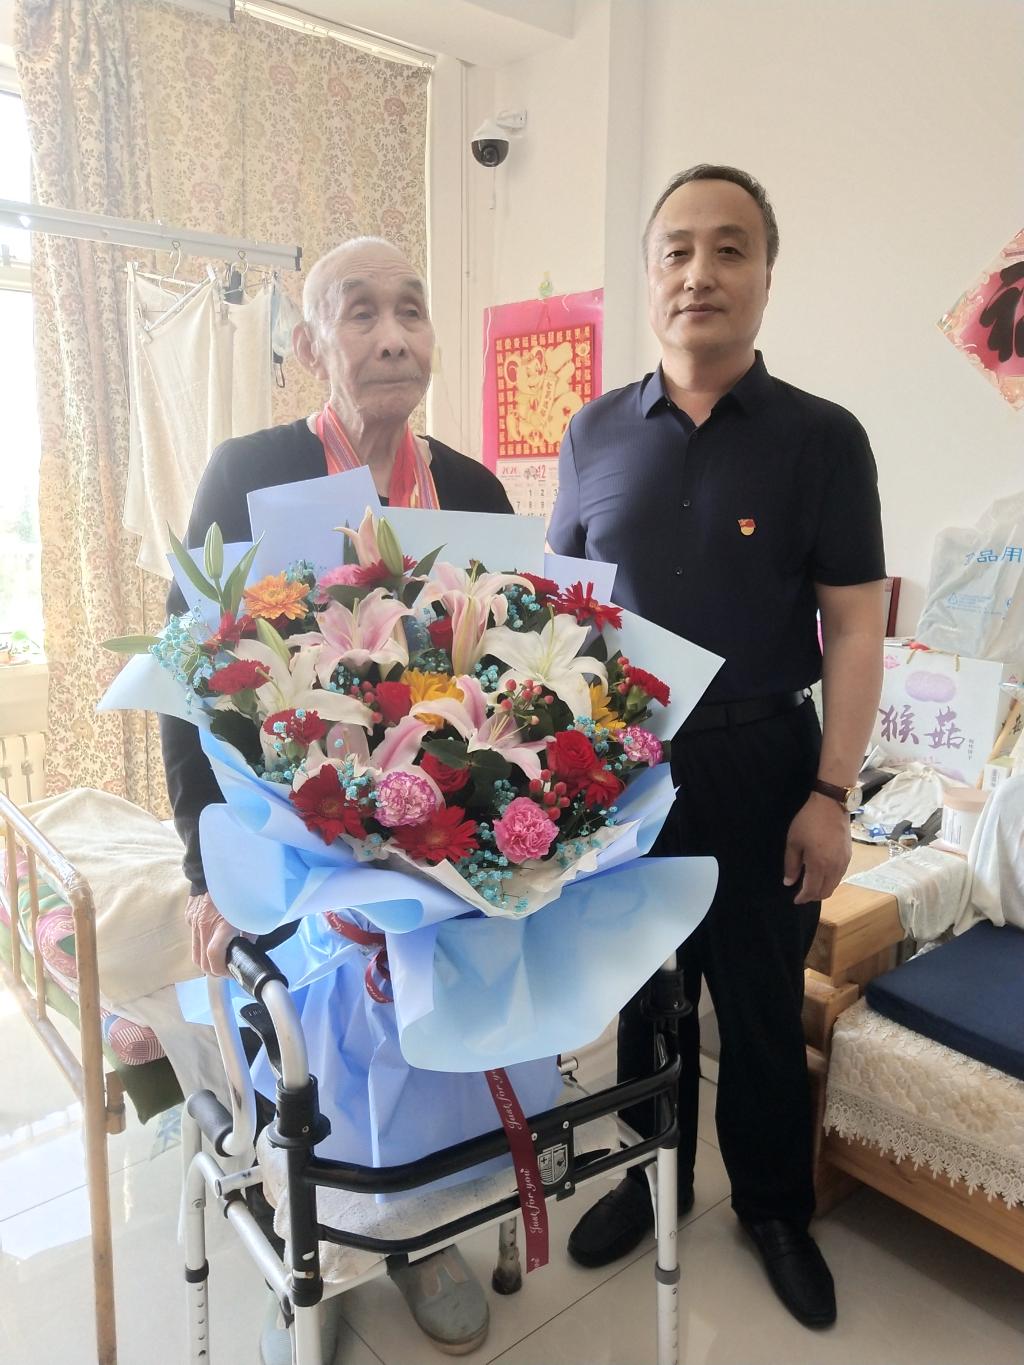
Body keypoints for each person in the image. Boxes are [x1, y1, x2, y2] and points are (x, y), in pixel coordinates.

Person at [548, 166, 885, 1330]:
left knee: (756, 1004)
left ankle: (772, 1207)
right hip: (630, 768)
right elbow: (562, 619)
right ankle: (649, 1179)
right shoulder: (591, 432)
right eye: (677, 250)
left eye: (730, 249)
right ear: (648, 276)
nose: (701, 273)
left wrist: (832, 792)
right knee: (644, 992)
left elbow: (854, 629)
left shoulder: (822, 440)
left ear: (765, 277)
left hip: (767, 762)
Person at [161, 237, 510, 1360]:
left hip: (438, 837)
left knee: (428, 1045)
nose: (392, 336)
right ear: (313, 345)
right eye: (360, 313)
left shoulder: (476, 491)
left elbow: (514, 674)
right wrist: (205, 864)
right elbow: (185, 681)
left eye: (411, 309)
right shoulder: (247, 472)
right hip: (292, 838)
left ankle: (419, 1233)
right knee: (308, 1054)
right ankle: (300, 1231)